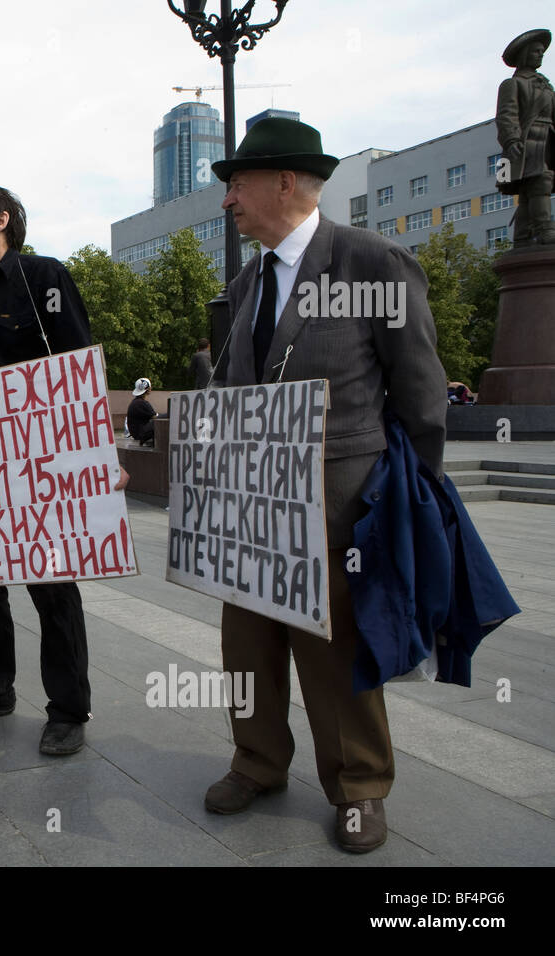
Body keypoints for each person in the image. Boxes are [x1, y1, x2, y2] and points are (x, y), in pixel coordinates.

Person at [208, 118, 446, 852]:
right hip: (250, 494)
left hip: (339, 496)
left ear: (284, 182)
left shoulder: (373, 261)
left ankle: (359, 787)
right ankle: (257, 762)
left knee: (334, 646)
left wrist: (403, 490)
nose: (228, 202)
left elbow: (422, 393)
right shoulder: (246, 281)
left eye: (236, 185)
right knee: (246, 641)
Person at [0, 182, 98, 755]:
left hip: (39, 465)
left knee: (52, 588)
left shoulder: (43, 278)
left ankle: (68, 710)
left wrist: (95, 456)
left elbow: (77, 364)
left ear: (0, 220)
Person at [495, 29, 554, 246]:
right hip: (526, 143)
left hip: (547, 141)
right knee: (541, 182)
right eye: (536, 51)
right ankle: (545, 229)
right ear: (525, 54)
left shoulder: (546, 86)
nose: (540, 55)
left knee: (531, 193)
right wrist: (511, 140)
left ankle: (522, 236)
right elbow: (505, 115)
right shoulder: (512, 84)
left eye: (542, 52)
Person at [126, 377, 157, 445]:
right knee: (159, 421)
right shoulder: (142, 403)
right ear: (148, 389)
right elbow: (156, 418)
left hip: (136, 434)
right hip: (140, 435)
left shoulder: (136, 402)